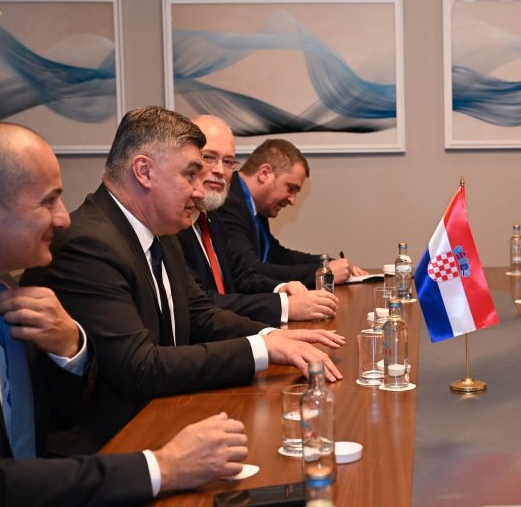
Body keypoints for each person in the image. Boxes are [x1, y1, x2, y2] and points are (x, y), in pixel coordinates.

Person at [20, 106, 344, 454]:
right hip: (113, 445)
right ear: (144, 171)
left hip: (164, 415)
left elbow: (200, 314)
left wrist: (271, 336)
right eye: (190, 175)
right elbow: (141, 368)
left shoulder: (161, 231)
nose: (200, 191)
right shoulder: (89, 244)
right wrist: (260, 349)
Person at [0, 122, 248, 505]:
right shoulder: (85, 244)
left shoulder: (6, 294)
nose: (63, 218)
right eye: (48, 202)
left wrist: (70, 350)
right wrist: (164, 467)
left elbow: (50, 421)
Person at [176, 115, 338, 324]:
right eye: (208, 157)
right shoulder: (174, 223)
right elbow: (201, 304)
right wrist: (284, 306)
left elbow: (241, 275)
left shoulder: (211, 215)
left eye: (228, 162)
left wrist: (281, 289)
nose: (220, 170)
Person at [214, 138, 367, 288]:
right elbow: (250, 270)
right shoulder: (228, 202)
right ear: (264, 173)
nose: (292, 200)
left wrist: (327, 263)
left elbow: (278, 255)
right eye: (290, 188)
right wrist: (323, 273)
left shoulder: (254, 204)